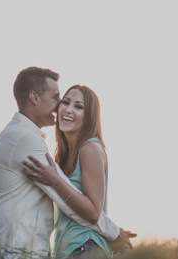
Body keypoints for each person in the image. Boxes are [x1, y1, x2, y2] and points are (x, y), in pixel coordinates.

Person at [0, 67, 135, 259]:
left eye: (78, 106)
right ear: (34, 98)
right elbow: (66, 201)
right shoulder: (27, 140)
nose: (60, 106)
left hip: (77, 247)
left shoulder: (22, 137)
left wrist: (111, 231)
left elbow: (83, 206)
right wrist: (113, 232)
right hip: (16, 252)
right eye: (57, 98)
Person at [22, 84, 119, 259]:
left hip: (85, 246)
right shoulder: (63, 155)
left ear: (89, 118)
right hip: (67, 249)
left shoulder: (90, 148)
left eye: (78, 106)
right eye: (65, 103)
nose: (68, 110)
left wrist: (55, 181)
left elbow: (94, 212)